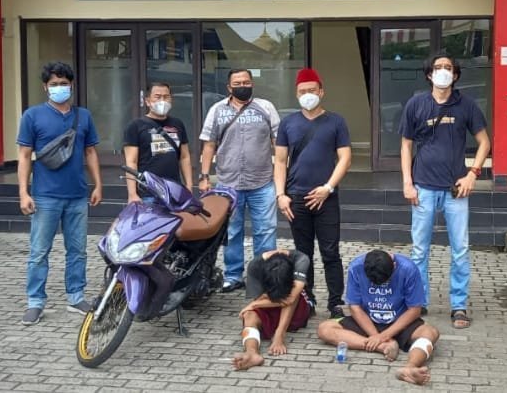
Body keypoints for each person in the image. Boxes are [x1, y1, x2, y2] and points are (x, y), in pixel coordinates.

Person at [398, 53, 490, 330]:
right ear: (429, 74)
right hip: (423, 187)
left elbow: (484, 142)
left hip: (455, 190)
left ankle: (458, 305)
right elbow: (406, 145)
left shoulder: (466, 105)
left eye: (448, 67)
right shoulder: (416, 104)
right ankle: (418, 302)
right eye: (438, 67)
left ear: (456, 74)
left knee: (460, 249)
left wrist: (473, 174)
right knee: (419, 251)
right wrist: (407, 182)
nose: (443, 71)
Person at [16, 61, 103, 325]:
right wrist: (24, 193)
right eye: (54, 84)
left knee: (77, 251)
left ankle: (76, 297)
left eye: (63, 83)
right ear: (45, 87)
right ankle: (35, 302)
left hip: (77, 195)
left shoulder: (84, 116)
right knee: (39, 252)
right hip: (45, 196)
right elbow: (24, 155)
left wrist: (98, 185)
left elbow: (90, 152)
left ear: (72, 85)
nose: (59, 88)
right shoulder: (32, 116)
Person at [274, 68, 351, 319]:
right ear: (296, 94)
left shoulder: (336, 122)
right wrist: (280, 195)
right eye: (302, 91)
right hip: (296, 197)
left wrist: (328, 187)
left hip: (326, 197)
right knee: (303, 253)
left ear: (321, 92)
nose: (308, 95)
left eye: (312, 90)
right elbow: (280, 161)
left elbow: (345, 158)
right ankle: (307, 300)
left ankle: (335, 302)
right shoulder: (288, 123)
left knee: (331, 252)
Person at [198, 69, 280, 293]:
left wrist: (282, 174)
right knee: (232, 232)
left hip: (262, 182)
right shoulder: (217, 110)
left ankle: (263, 277)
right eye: (237, 83)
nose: (242, 85)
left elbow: (278, 143)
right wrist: (204, 176)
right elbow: (209, 145)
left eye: (246, 82)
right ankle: (233, 276)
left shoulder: (266, 107)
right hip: (228, 185)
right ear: (229, 87)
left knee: (265, 231)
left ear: (252, 84)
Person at [317, 249, 440, 386]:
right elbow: (355, 307)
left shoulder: (408, 268)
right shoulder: (356, 267)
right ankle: (382, 347)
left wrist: (383, 336)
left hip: (399, 322)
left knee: (430, 332)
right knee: (324, 329)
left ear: (394, 265)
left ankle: (410, 367)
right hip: (367, 321)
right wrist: (377, 338)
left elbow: (415, 310)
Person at [233, 248, 311, 371]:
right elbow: (260, 298)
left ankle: (279, 334)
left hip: (297, 309)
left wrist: (279, 335)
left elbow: (290, 299)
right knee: (248, 315)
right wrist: (254, 305)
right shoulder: (255, 266)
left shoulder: (301, 259)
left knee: (295, 295)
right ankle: (252, 353)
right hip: (269, 303)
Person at [122, 81, 192, 203]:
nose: (162, 101)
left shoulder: (177, 124)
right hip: (148, 192)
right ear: (147, 101)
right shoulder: (136, 126)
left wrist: (189, 186)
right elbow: (131, 162)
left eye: (166, 97)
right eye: (157, 97)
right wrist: (132, 194)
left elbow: (184, 157)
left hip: (174, 191)